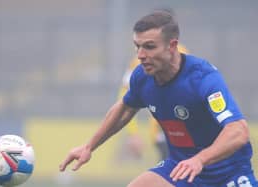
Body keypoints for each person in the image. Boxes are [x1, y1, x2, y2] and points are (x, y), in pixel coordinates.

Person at [59, 10, 258, 187]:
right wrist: (88, 146)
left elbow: (238, 131)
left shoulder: (202, 78)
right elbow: (125, 108)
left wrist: (199, 160)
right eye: (137, 47)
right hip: (179, 168)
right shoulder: (141, 77)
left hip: (227, 174)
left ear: (172, 46)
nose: (141, 55)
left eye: (149, 47)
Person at [119, 44, 189, 161]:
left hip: (185, 132)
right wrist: (133, 133)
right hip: (161, 133)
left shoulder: (183, 54)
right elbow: (125, 97)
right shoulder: (139, 61)